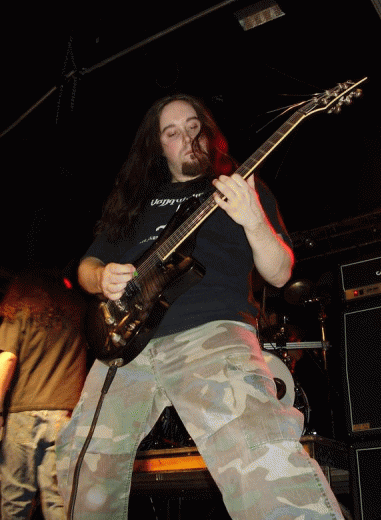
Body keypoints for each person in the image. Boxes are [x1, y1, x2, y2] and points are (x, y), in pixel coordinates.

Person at [56, 94, 344, 519]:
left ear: (208, 134)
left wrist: (253, 220)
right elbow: (88, 264)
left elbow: (280, 272)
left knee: (258, 455)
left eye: (193, 127)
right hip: (125, 344)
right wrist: (100, 278)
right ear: (159, 147)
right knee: (82, 464)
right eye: (171, 132)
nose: (186, 138)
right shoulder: (138, 204)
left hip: (211, 331)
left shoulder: (242, 187)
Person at [0, 267, 87, 519]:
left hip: (23, 414)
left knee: (15, 502)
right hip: (66, 416)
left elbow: (7, 359)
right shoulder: (77, 314)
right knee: (59, 501)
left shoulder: (19, 310)